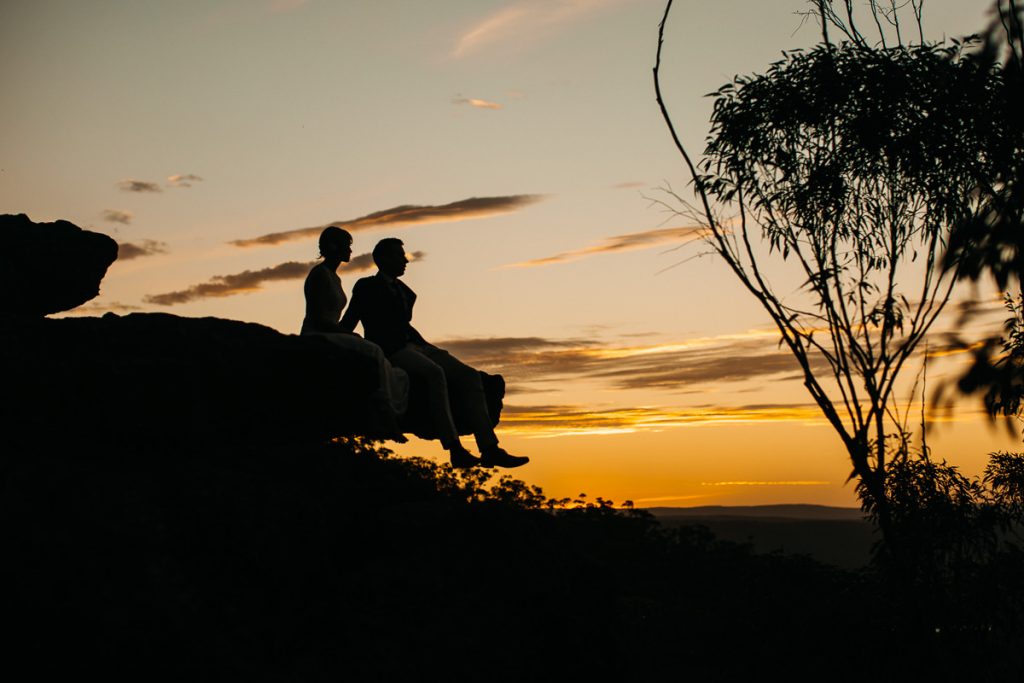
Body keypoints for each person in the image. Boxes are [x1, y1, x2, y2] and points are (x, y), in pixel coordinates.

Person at [340, 237, 528, 469]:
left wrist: (426, 345)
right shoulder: (366, 286)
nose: (405, 260)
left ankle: (490, 449)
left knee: (470, 376)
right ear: (383, 259)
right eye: (400, 255)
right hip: (392, 350)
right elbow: (350, 320)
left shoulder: (406, 292)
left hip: (417, 346)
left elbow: (404, 324)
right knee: (434, 374)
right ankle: (455, 449)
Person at [301, 227, 409, 437]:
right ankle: (384, 412)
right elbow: (317, 319)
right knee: (374, 351)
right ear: (334, 247)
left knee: (380, 357)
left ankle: (390, 410)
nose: (350, 250)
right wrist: (347, 335)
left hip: (331, 332)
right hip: (317, 334)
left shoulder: (335, 277)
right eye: (347, 245)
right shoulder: (319, 275)